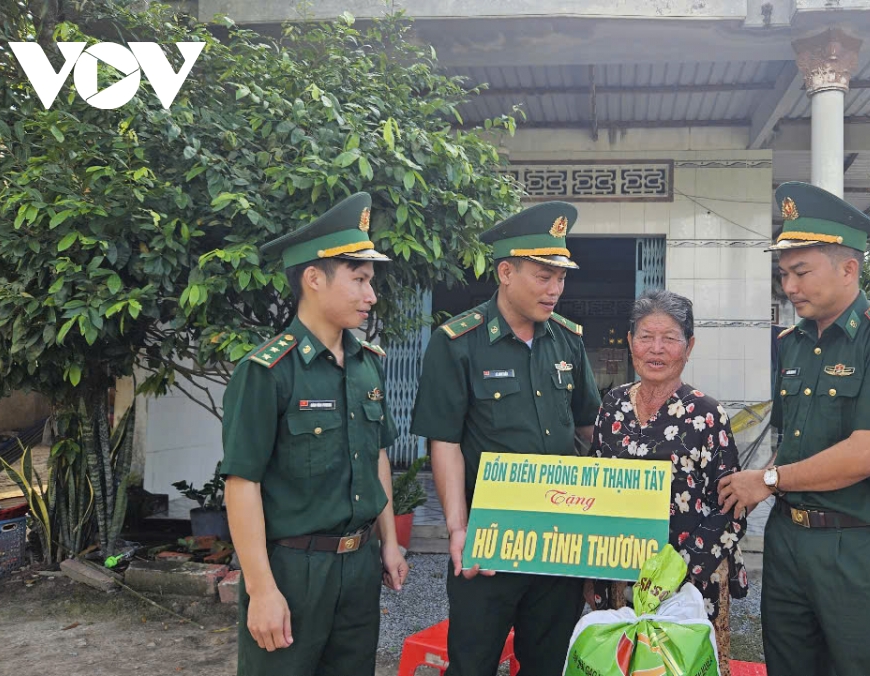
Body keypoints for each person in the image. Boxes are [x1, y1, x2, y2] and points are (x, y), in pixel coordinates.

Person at [718, 182, 870, 676]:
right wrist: (758, 481)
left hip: (857, 546)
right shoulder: (792, 344)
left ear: (848, 269)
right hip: (790, 542)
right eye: (783, 274)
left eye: (800, 272)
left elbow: (865, 456)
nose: (789, 287)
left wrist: (768, 482)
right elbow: (792, 442)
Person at [220, 193, 409, 676]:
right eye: (360, 280)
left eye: (371, 282)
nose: (371, 296)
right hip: (293, 570)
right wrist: (261, 589)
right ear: (314, 278)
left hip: (358, 565)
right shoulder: (267, 372)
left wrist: (388, 542)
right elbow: (242, 483)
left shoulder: (369, 365)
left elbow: (378, 459)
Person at [410, 201, 603, 676]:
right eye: (543, 276)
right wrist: (458, 528)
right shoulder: (457, 342)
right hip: (489, 539)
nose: (555, 289)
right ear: (505, 272)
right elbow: (446, 442)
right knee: (473, 662)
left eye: (561, 277)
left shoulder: (567, 340)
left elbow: (589, 430)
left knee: (548, 663)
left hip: (560, 540)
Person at [587, 289, 748, 676]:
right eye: (645, 337)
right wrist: (589, 569)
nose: (656, 349)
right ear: (630, 343)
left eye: (670, 338)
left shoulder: (708, 415)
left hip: (689, 582)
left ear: (688, 346)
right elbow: (593, 487)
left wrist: (674, 574)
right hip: (620, 574)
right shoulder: (612, 407)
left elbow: (731, 508)